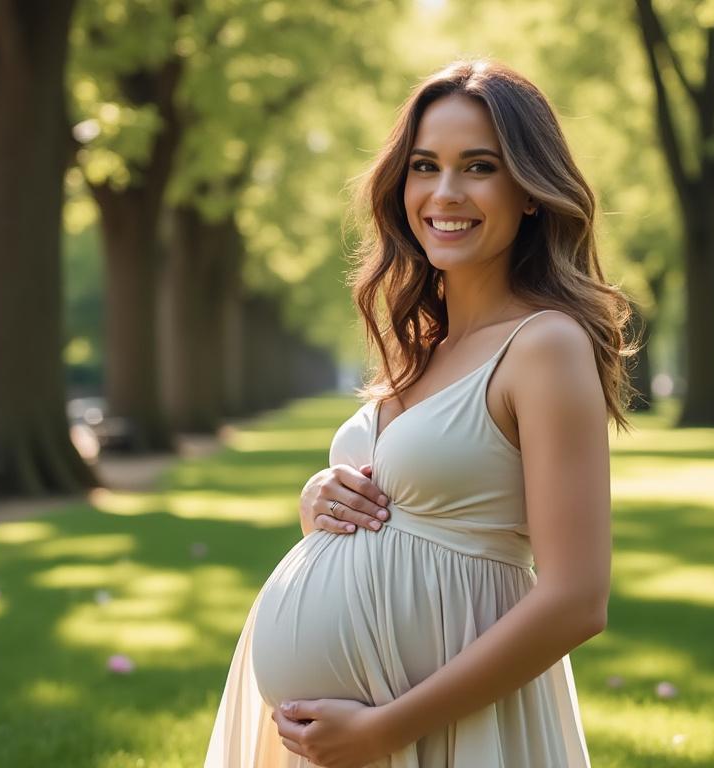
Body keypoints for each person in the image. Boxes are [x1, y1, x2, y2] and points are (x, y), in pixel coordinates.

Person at [203, 59, 637, 767]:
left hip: (441, 728)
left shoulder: (544, 345)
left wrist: (388, 729)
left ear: (530, 192)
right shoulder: (421, 347)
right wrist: (321, 503)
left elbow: (576, 600)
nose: (445, 192)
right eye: (425, 166)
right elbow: (409, 517)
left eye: (479, 167)